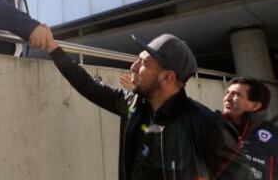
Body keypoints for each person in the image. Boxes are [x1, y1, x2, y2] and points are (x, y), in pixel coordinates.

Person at [38, 28, 251, 180]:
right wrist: (53, 48)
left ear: (167, 77)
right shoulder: (131, 104)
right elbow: (87, 85)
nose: (133, 66)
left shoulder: (206, 125)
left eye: (143, 63)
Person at [222, 77, 278, 179]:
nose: (227, 98)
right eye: (227, 93)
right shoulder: (211, 126)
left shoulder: (274, 135)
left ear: (255, 106)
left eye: (236, 95)